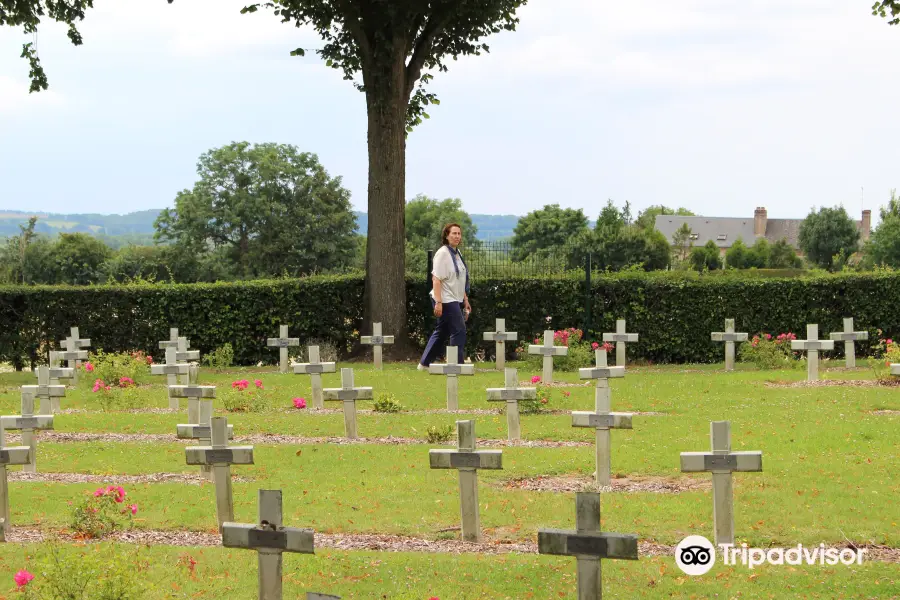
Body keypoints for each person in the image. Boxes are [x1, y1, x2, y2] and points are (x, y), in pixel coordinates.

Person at [418, 223, 472, 369]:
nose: (457, 236)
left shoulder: (456, 253)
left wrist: (465, 299)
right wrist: (438, 302)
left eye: (459, 234)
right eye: (453, 233)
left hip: (456, 298)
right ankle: (457, 364)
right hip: (445, 298)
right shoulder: (443, 253)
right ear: (446, 236)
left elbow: (459, 279)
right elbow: (436, 279)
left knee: (442, 331)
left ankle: (424, 363)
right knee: (459, 329)